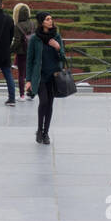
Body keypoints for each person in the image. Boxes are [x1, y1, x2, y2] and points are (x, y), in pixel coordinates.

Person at [24, 11, 65, 145]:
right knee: (44, 102)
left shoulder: (56, 36)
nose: (50, 21)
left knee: (50, 104)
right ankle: (39, 130)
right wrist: (28, 80)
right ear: (42, 22)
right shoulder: (35, 39)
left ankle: (46, 133)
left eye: (51, 19)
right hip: (40, 76)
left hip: (53, 76)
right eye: (47, 19)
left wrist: (58, 48)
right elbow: (29, 61)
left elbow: (63, 58)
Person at [10, 2, 35, 96]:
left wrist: (11, 50)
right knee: (30, 73)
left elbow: (17, 41)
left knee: (21, 75)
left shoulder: (18, 26)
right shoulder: (33, 24)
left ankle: (22, 95)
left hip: (21, 53)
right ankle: (31, 92)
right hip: (32, 52)